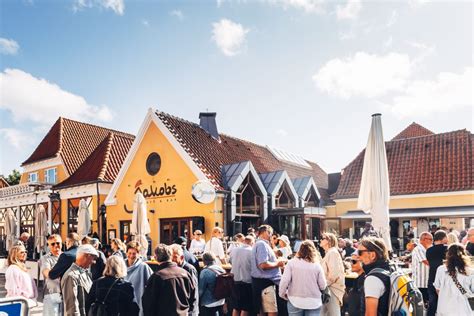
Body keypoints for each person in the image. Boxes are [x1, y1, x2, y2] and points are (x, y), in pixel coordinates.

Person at [142, 244, 195, 315]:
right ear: (170, 256)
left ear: (156, 257)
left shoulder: (157, 277)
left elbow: (149, 303)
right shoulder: (185, 273)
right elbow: (193, 298)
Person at [279, 240, 327, 316]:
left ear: (300, 250)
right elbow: (323, 285)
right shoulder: (317, 265)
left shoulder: (291, 263)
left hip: (295, 300)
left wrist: (282, 294)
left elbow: (284, 281)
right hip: (313, 302)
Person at [251, 224, 287, 316]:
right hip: (266, 284)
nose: (271, 235)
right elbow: (263, 264)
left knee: (262, 311)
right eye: (270, 233)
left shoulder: (260, 244)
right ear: (264, 232)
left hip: (263, 283)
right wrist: (278, 264)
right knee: (272, 312)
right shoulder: (262, 244)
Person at [433, 243, 474, 315]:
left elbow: (437, 289)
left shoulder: (441, 269)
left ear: (448, 254)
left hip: (445, 308)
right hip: (464, 309)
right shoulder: (470, 271)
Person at [61, 244, 98, 316]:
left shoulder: (84, 272)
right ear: (87, 256)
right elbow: (72, 308)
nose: (93, 262)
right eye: (93, 258)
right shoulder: (71, 276)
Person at [358, 237, 391, 316]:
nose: (358, 256)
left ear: (372, 255)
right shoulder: (389, 269)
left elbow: (370, 314)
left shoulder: (372, 279)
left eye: (360, 252)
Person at [125, 241, 153, 316]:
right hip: (124, 304)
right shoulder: (121, 267)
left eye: (134, 253)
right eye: (129, 253)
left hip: (138, 304)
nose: (131, 256)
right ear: (126, 253)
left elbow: (152, 285)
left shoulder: (143, 267)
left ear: (138, 254)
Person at [170, 244, 199, 316]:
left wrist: (191, 312)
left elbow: (194, 293)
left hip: (189, 311)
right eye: (171, 257)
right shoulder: (173, 269)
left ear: (182, 257)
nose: (172, 260)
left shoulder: (189, 269)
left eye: (175, 257)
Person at [320, 232, 345, 316]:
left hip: (332, 289)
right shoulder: (329, 253)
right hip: (328, 288)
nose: (320, 240)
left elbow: (334, 274)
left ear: (329, 241)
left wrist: (323, 285)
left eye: (322, 238)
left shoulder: (332, 253)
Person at [230, 235, 255, 316]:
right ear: (252, 243)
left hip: (235, 281)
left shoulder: (234, 250)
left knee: (236, 307)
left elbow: (230, 261)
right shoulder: (251, 251)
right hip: (247, 282)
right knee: (245, 307)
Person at [426, 230, 448, 316]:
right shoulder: (447, 249)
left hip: (432, 277)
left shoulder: (429, 250)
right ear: (443, 238)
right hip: (444, 278)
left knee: (432, 303)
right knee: (445, 302)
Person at [39, 234, 62, 316]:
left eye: (58, 243)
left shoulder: (66, 257)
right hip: (52, 293)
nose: (56, 246)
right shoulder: (45, 258)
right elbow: (47, 273)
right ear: (49, 246)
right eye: (53, 244)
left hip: (65, 294)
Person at [411, 232, 432, 305]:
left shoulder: (427, 249)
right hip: (421, 283)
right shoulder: (418, 249)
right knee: (422, 305)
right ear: (423, 240)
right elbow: (426, 262)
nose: (431, 241)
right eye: (430, 239)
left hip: (426, 282)